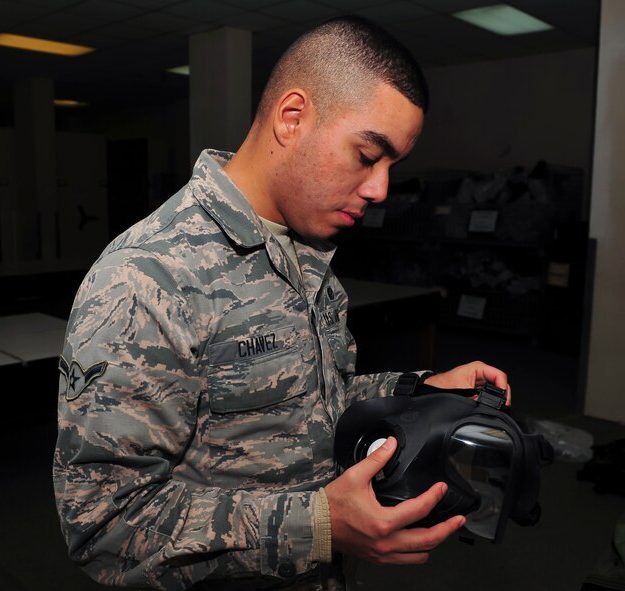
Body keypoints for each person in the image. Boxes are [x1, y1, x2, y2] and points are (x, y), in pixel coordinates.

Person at [53, 16, 510, 590]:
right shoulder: (147, 277)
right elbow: (104, 524)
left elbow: (314, 403)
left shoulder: (307, 250)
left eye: (393, 167)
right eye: (368, 155)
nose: (380, 190)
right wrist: (320, 525)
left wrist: (421, 390)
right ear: (292, 119)